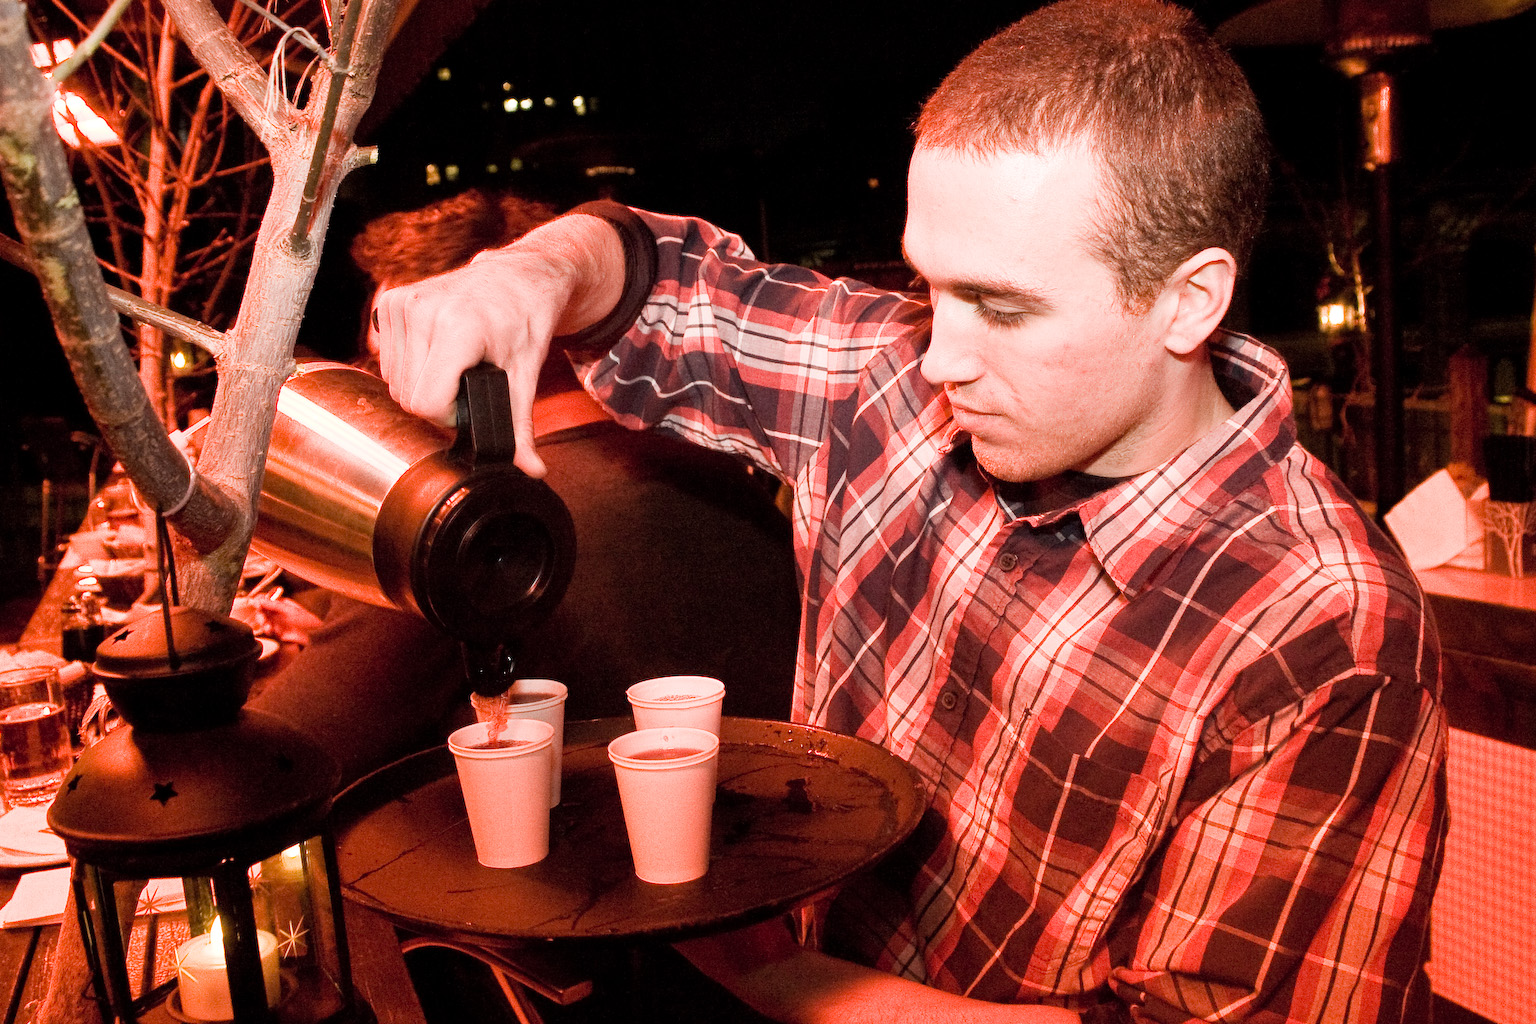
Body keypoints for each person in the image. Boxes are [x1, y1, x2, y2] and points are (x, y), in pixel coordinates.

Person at [371, 2, 1447, 1022]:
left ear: (1189, 300)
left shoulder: (1326, 632)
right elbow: (660, 275)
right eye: (934, 289)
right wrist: (530, 272)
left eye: (1003, 308)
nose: (939, 354)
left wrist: (776, 971)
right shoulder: (894, 378)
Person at [248, 188, 801, 785]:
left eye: (405, 349)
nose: (385, 382)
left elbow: (272, 766)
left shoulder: (456, 527)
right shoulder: (705, 463)